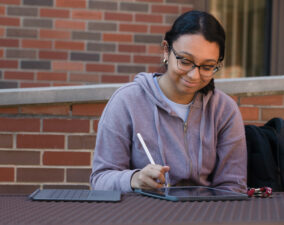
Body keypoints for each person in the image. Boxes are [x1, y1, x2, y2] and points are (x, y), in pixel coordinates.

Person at [90, 10, 247, 194]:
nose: (194, 75)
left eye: (207, 67)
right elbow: (100, 180)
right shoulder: (127, 101)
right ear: (166, 50)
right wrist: (135, 179)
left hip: (204, 215)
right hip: (142, 216)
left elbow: (232, 187)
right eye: (185, 61)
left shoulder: (224, 110)